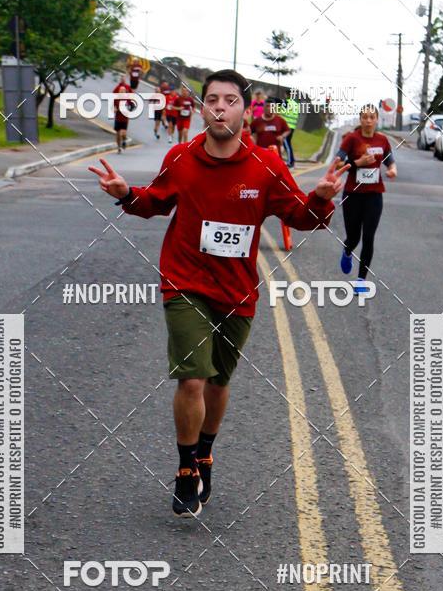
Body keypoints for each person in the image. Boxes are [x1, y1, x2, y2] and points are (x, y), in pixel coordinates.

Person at [89, 69, 348, 519]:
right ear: (202, 108)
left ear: (246, 111)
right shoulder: (182, 157)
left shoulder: (267, 165)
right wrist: (126, 193)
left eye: (230, 100)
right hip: (184, 281)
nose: (220, 107)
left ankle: (205, 451)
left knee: (217, 381)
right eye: (212, 99)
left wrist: (321, 198)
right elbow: (156, 201)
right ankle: (187, 467)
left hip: (237, 290)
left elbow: (302, 217)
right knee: (191, 378)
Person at [336, 103, 397, 281]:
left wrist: (393, 169)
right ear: (360, 119)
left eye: (372, 117)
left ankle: (361, 279)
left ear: (377, 119)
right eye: (365, 117)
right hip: (352, 195)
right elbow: (338, 163)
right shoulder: (352, 139)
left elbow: (390, 161)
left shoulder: (382, 140)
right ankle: (347, 251)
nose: (368, 121)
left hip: (374, 195)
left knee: (368, 237)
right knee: (354, 238)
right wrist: (357, 163)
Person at [112, 77, 134, 153]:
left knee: (123, 133)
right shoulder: (116, 98)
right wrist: (114, 109)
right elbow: (113, 106)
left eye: (123, 91)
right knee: (118, 134)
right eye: (120, 91)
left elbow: (132, 106)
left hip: (125, 118)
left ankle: (124, 140)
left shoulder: (128, 99)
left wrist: (129, 110)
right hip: (118, 118)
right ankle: (119, 147)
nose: (121, 92)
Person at [279, 90, 301, 168]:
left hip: (286, 127)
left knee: (287, 145)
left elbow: (282, 113)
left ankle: (290, 162)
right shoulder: (295, 104)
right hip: (292, 126)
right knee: (287, 144)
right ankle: (291, 161)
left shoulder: (286, 103)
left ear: (286, 95)